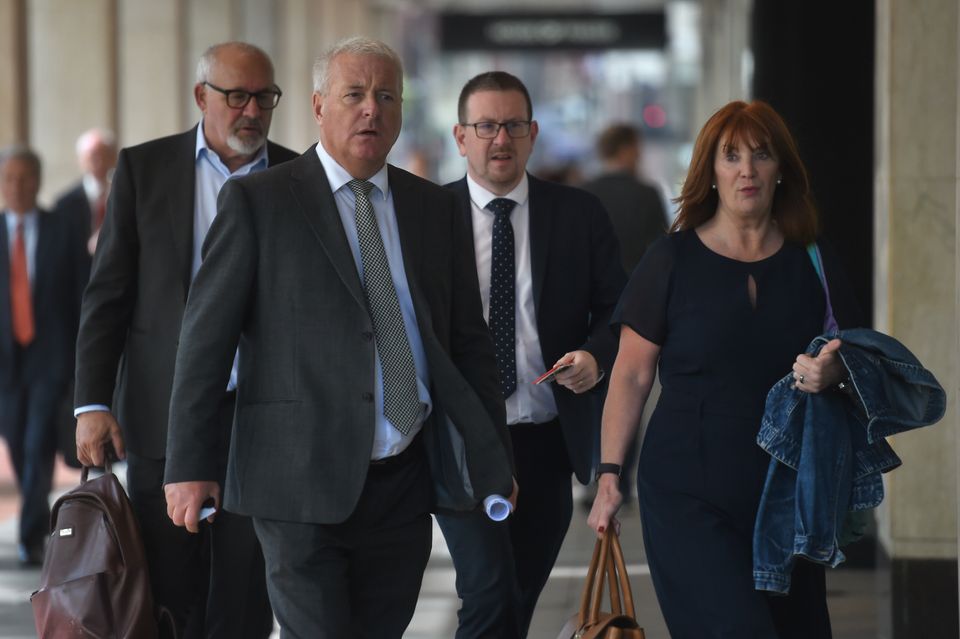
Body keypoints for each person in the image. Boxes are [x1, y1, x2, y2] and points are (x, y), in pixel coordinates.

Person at [162, 37, 514, 639]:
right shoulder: (259, 201)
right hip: (295, 480)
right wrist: (188, 464)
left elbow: (467, 343)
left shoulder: (432, 208)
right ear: (320, 105)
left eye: (385, 96)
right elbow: (205, 341)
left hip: (403, 479)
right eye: (355, 95)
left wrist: (493, 452)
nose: (371, 110)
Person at [588, 100, 863, 639]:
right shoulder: (670, 260)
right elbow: (631, 375)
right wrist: (609, 475)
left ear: (781, 168)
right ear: (709, 171)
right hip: (688, 491)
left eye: (761, 156)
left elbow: (853, 351)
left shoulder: (814, 259)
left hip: (788, 493)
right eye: (730, 156)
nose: (746, 170)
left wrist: (834, 372)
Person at [73, 42, 297, 638]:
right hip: (162, 414)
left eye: (265, 97)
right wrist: (92, 403)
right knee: (170, 591)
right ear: (202, 97)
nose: (252, 110)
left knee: (249, 594)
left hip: (264, 419)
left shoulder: (300, 177)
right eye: (237, 96)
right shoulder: (144, 171)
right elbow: (108, 296)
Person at [438, 71, 626, 638]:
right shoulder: (427, 215)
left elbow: (619, 310)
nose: (501, 139)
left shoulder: (578, 214)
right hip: (464, 441)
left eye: (514, 125)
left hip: (546, 440)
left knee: (517, 596)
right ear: (460, 136)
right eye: (487, 126)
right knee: (488, 594)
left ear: (534, 132)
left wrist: (595, 357)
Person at [0, 146, 82, 565]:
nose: (18, 185)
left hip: (50, 359)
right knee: (16, 442)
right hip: (6, 365)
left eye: (25, 177)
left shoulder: (62, 229)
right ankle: (34, 517)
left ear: (38, 180)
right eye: (10, 177)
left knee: (37, 445)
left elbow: (83, 296)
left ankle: (31, 537)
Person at [581, 123, 669, 502]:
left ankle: (593, 472)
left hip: (593, 305)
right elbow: (664, 248)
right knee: (633, 385)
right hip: (638, 305)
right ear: (628, 149)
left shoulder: (587, 192)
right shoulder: (646, 194)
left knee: (597, 389)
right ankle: (621, 474)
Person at [582, 123, 667, 274]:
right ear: (625, 150)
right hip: (637, 284)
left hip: (593, 286)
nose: (639, 156)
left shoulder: (583, 192)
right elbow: (661, 246)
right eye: (637, 149)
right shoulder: (646, 193)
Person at [53, 128, 118, 265]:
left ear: (113, 157)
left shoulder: (123, 194)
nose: (99, 161)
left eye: (104, 155)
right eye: (93, 156)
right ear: (81, 160)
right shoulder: (65, 203)